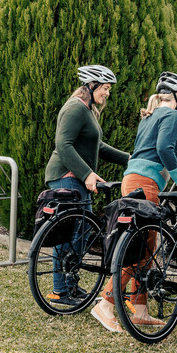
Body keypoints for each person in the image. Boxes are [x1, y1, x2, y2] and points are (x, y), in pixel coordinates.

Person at [91, 71, 177, 333]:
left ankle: (140, 310)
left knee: (145, 246)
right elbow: (164, 150)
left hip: (133, 179)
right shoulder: (173, 115)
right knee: (142, 249)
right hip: (146, 185)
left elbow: (151, 156)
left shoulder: (150, 116)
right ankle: (106, 302)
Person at [43, 64, 130, 305]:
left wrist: (128, 159)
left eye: (109, 89)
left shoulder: (89, 111)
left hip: (75, 177)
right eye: (105, 88)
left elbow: (97, 147)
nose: (107, 93)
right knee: (72, 233)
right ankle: (60, 291)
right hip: (66, 176)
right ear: (90, 86)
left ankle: (69, 285)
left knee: (79, 232)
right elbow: (63, 145)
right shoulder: (75, 108)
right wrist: (87, 174)